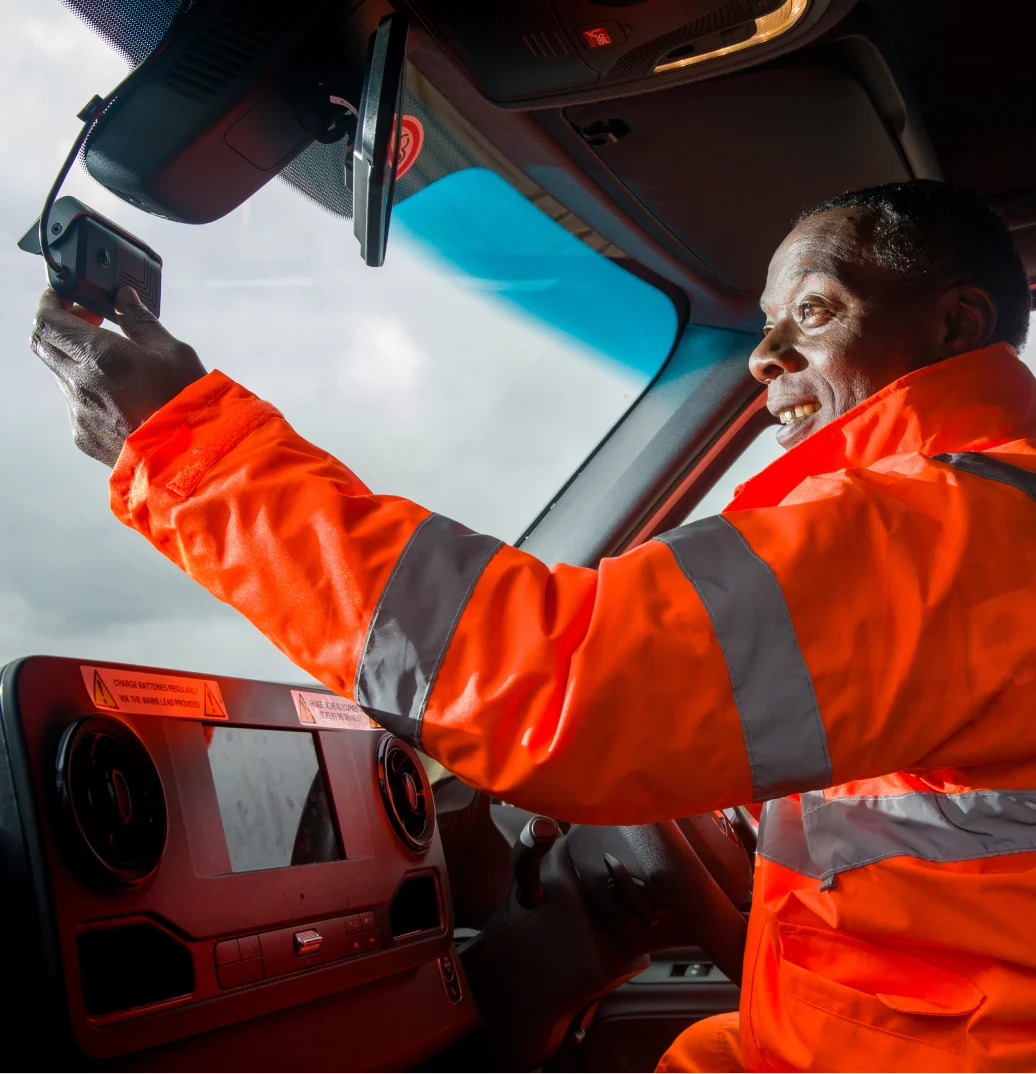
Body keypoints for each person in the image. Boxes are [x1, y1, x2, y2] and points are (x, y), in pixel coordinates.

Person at [29, 179, 1036, 1072]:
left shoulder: (956, 527)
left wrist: (186, 450)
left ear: (956, 324)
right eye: (768, 323)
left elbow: (557, 684)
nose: (765, 357)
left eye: (812, 312)